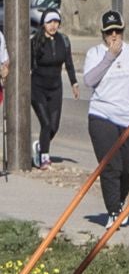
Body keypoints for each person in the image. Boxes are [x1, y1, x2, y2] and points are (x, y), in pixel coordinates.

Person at [82, 10, 129, 225]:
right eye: (109, 32)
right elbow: (89, 80)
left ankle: (120, 200)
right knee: (111, 166)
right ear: (103, 34)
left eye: (118, 31)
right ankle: (113, 211)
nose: (114, 36)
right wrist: (109, 57)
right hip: (102, 114)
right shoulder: (95, 54)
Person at [29, 10, 79, 169]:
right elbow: (28, 66)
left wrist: (74, 83)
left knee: (54, 126)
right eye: (50, 22)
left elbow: (69, 64)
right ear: (44, 23)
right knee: (46, 123)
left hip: (55, 88)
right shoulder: (35, 41)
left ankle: (41, 147)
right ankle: (44, 158)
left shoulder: (63, 41)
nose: (53, 25)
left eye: (56, 22)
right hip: (37, 88)